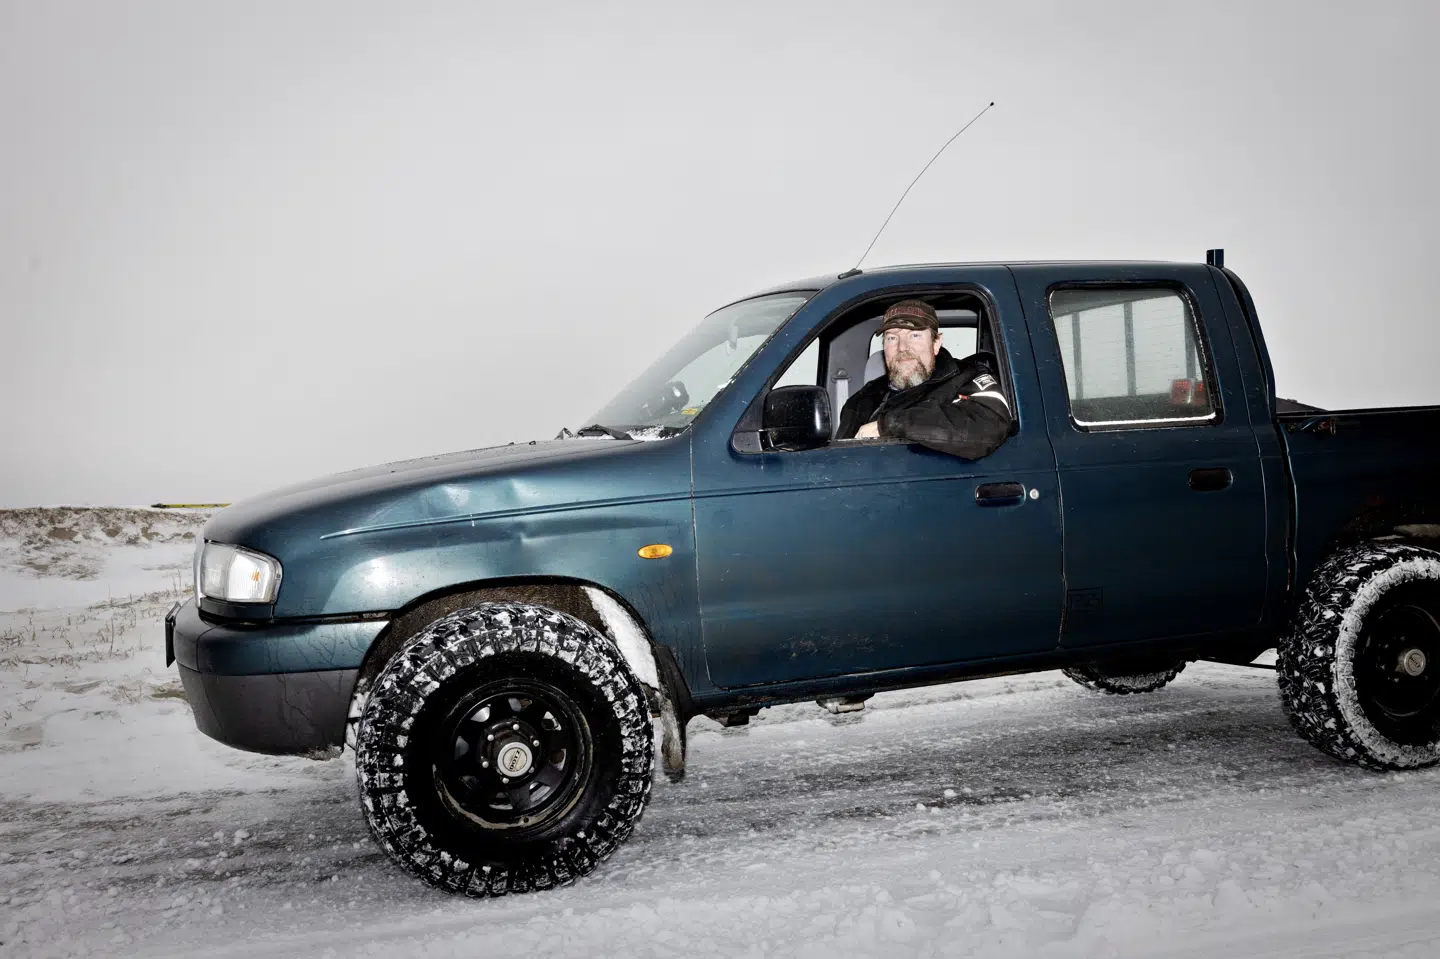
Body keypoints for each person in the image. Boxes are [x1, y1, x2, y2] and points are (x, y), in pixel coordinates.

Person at [835, 299, 1012, 459]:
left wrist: (888, 425)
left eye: (915, 335)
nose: (902, 347)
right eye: (892, 338)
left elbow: (986, 429)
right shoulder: (861, 400)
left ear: (936, 343)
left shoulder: (968, 378)